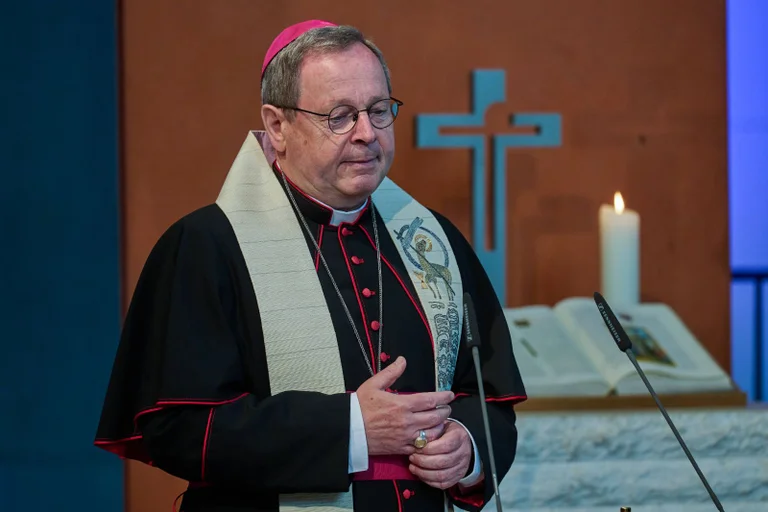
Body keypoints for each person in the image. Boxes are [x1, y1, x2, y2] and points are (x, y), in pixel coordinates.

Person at [94, 19, 526, 512]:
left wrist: (468, 451)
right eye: (340, 116)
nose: (367, 134)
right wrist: (351, 428)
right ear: (277, 126)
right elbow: (180, 428)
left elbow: (487, 396)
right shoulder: (206, 246)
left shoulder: (432, 241)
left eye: (379, 111)